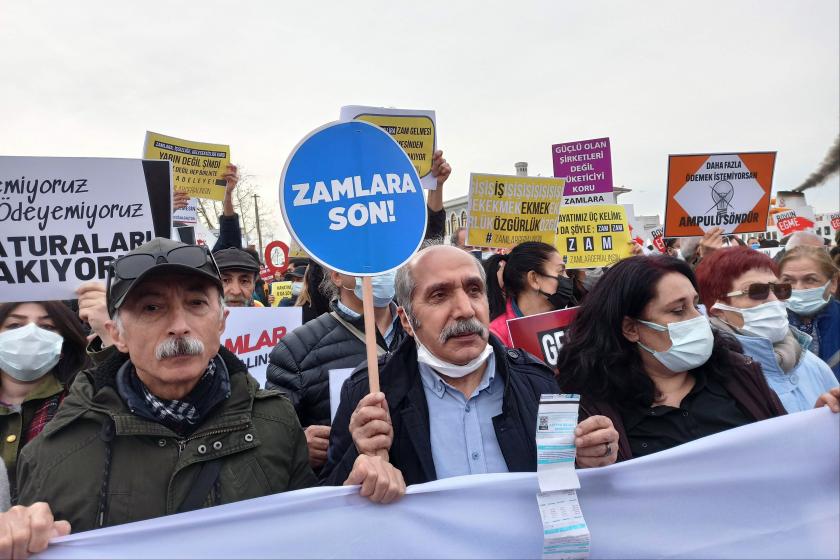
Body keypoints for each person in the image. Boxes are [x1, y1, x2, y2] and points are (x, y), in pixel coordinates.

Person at [14, 238, 404, 538]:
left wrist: (348, 493)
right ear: (116, 332)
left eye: (197, 303)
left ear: (221, 322)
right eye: (152, 308)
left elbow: (308, 535)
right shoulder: (56, 452)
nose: (179, 324)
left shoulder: (275, 424)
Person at [321, 245, 619, 487]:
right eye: (439, 295)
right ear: (407, 321)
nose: (465, 309)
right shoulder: (369, 393)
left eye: (474, 290)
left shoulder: (537, 382)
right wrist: (358, 462)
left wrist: (590, 458)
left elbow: (564, 485)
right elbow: (330, 503)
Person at [265, 150, 453, 468]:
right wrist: (297, 443)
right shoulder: (297, 351)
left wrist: (434, 187)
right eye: (368, 259)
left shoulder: (423, 329)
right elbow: (270, 437)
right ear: (337, 274)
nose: (381, 268)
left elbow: (430, 247)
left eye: (387, 258)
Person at [555, 255, 840, 462]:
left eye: (695, 304)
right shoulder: (592, 404)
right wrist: (586, 461)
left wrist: (811, 427)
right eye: (678, 311)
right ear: (630, 328)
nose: (698, 318)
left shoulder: (739, 375)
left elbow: (784, 456)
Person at [696, 247, 838, 413]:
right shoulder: (709, 380)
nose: (774, 299)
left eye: (779, 289)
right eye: (756, 291)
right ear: (720, 310)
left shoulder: (809, 361)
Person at [0, 302, 88, 497]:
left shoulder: (85, 401)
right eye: (15, 325)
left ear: (63, 343)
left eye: (47, 327)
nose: (30, 335)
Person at [485, 242, 575, 347]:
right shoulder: (496, 338)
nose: (567, 278)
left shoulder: (573, 323)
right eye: (561, 271)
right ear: (534, 279)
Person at [778, 246, 840, 380]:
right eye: (788, 280)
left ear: (833, 283)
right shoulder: (768, 326)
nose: (798, 288)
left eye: (810, 279)